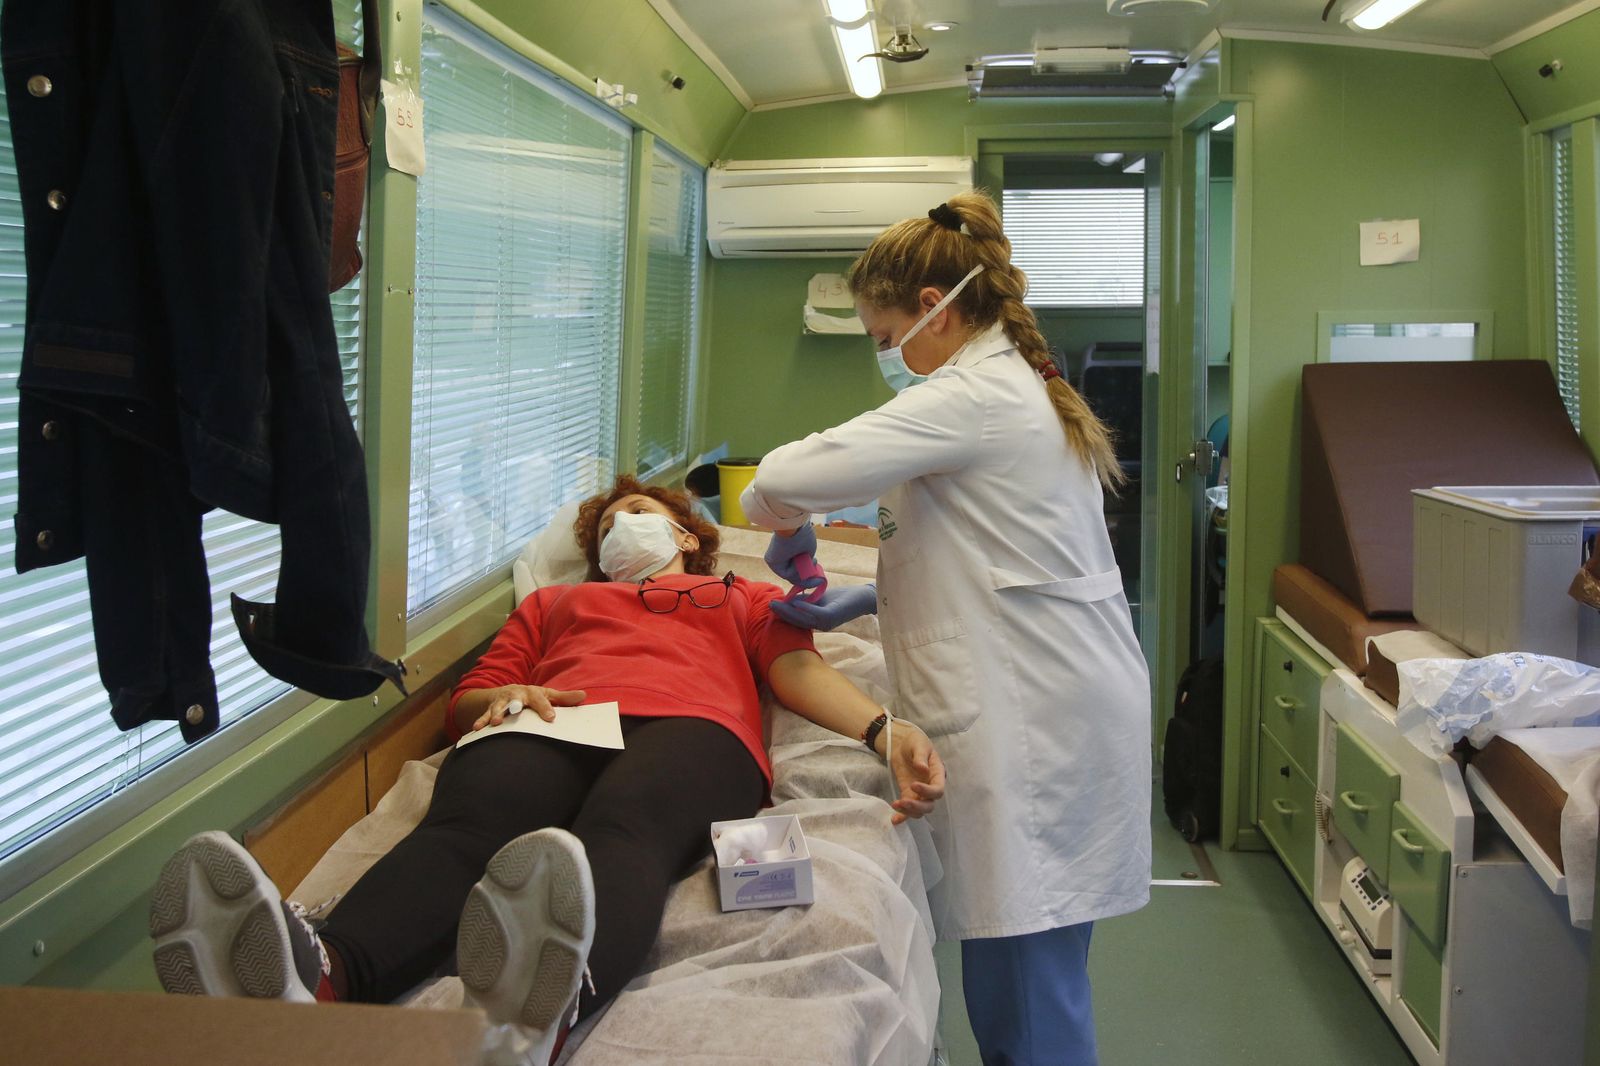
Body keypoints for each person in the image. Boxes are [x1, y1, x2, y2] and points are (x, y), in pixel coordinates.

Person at [149, 475, 945, 1064]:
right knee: (464, 830)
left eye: (641, 514)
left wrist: (885, 730)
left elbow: (795, 673)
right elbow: (465, 702)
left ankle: (545, 1012)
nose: (621, 529)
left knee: (623, 830)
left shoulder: (735, 595)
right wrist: (506, 695)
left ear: (687, 533)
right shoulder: (554, 606)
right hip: (553, 715)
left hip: (691, 725)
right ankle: (319, 979)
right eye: (606, 527)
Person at [742, 192, 1152, 1065]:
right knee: (1025, 973)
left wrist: (784, 517)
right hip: (1053, 690)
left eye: (884, 338)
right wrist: (862, 602)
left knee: (1028, 996)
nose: (886, 357)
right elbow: (988, 558)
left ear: (934, 308)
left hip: (1033, 720)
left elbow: (778, 476)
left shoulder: (975, 395)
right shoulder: (1010, 388)